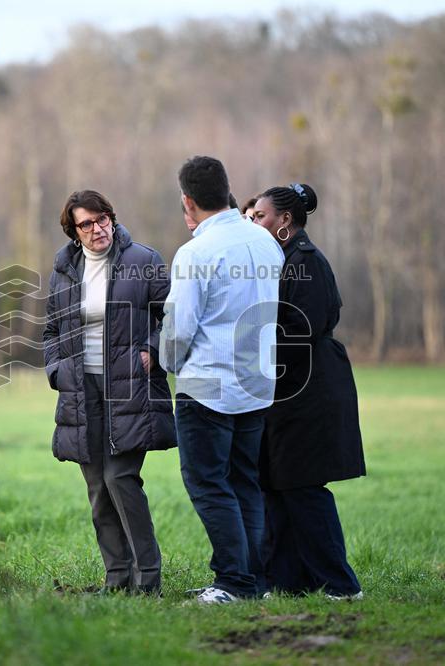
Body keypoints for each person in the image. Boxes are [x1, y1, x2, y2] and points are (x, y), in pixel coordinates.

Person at [161, 156, 285, 604]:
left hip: (209, 386)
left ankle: (233, 581)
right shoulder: (267, 243)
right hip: (257, 384)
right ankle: (252, 581)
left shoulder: (196, 252)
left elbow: (179, 327)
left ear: (187, 202)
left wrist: (168, 363)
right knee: (244, 483)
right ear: (228, 190)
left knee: (209, 485)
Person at [43, 189, 175, 594]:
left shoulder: (143, 261)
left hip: (130, 386)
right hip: (82, 389)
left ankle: (147, 580)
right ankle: (117, 579)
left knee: (120, 478)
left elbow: (169, 316)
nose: (97, 229)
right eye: (87, 223)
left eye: (102, 219)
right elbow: (51, 330)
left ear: (112, 218)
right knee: (97, 486)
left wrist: (153, 349)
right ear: (74, 230)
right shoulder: (65, 270)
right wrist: (56, 370)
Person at [252, 182, 365, 599]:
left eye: (260, 216)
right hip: (283, 392)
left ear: (285, 220)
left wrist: (253, 348)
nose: (254, 222)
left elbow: (300, 329)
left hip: (310, 390)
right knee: (277, 483)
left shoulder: (307, 262)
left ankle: (340, 584)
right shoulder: (279, 261)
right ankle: (286, 581)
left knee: (303, 486)